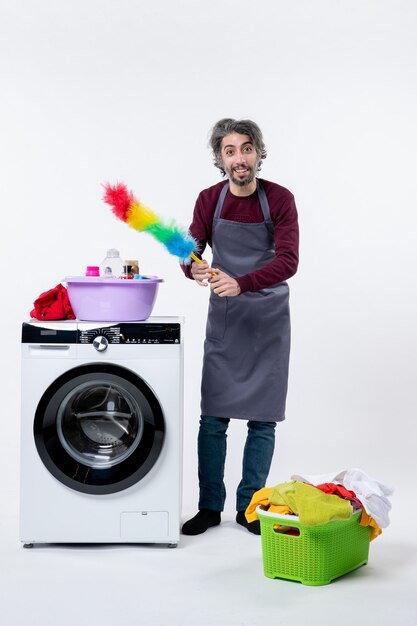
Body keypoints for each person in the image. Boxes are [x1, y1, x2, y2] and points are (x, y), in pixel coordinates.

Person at [181, 118, 299, 535]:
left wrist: (243, 282)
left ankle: (250, 508)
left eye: (246, 148)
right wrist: (191, 268)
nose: (239, 158)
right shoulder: (208, 201)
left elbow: (288, 261)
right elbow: (192, 250)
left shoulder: (280, 199)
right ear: (220, 158)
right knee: (213, 418)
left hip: (267, 321)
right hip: (227, 322)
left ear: (258, 153)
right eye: (229, 151)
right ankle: (209, 506)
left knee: (262, 420)